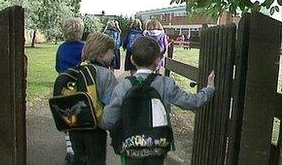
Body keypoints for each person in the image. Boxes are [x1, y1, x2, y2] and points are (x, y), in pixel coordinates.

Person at [101, 36, 215, 165]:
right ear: (158, 60)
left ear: (132, 60)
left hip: (129, 143)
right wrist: (209, 88)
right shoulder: (166, 84)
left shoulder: (123, 86)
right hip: (158, 142)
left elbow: (108, 120)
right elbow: (192, 102)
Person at [69, 32, 118, 165]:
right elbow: (112, 105)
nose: (113, 55)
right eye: (111, 51)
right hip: (96, 128)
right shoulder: (106, 75)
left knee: (79, 158)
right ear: (101, 54)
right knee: (96, 160)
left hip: (75, 126)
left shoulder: (76, 71)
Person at [54, 17, 85, 164]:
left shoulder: (61, 48)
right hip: (80, 84)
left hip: (64, 84)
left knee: (66, 113)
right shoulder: (84, 47)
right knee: (82, 112)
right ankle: (81, 144)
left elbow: (57, 67)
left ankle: (69, 147)